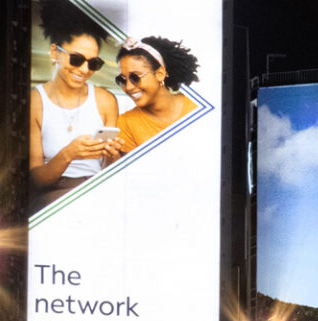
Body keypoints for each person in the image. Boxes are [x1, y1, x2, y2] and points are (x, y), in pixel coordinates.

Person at [30, 0, 120, 210]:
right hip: (54, 196)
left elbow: (109, 171)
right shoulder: (35, 101)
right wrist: (68, 154)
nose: (84, 69)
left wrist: (113, 155)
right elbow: (36, 179)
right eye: (77, 59)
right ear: (55, 53)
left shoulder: (106, 101)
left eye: (94, 63)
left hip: (98, 192)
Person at [113, 36, 200, 154]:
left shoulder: (196, 106)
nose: (128, 87)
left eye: (135, 77)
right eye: (122, 80)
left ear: (160, 74)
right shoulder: (125, 123)